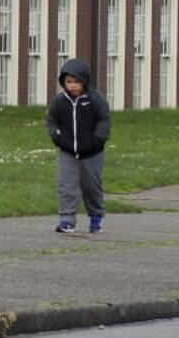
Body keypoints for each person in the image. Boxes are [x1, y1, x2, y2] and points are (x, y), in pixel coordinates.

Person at [46, 58, 111, 233]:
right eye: (69, 82)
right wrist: (56, 136)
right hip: (68, 151)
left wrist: (97, 139)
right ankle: (67, 220)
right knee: (67, 186)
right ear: (63, 83)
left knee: (91, 187)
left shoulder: (96, 100)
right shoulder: (59, 102)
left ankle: (96, 216)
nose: (73, 86)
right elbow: (52, 121)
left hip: (92, 153)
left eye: (76, 82)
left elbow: (104, 121)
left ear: (85, 81)